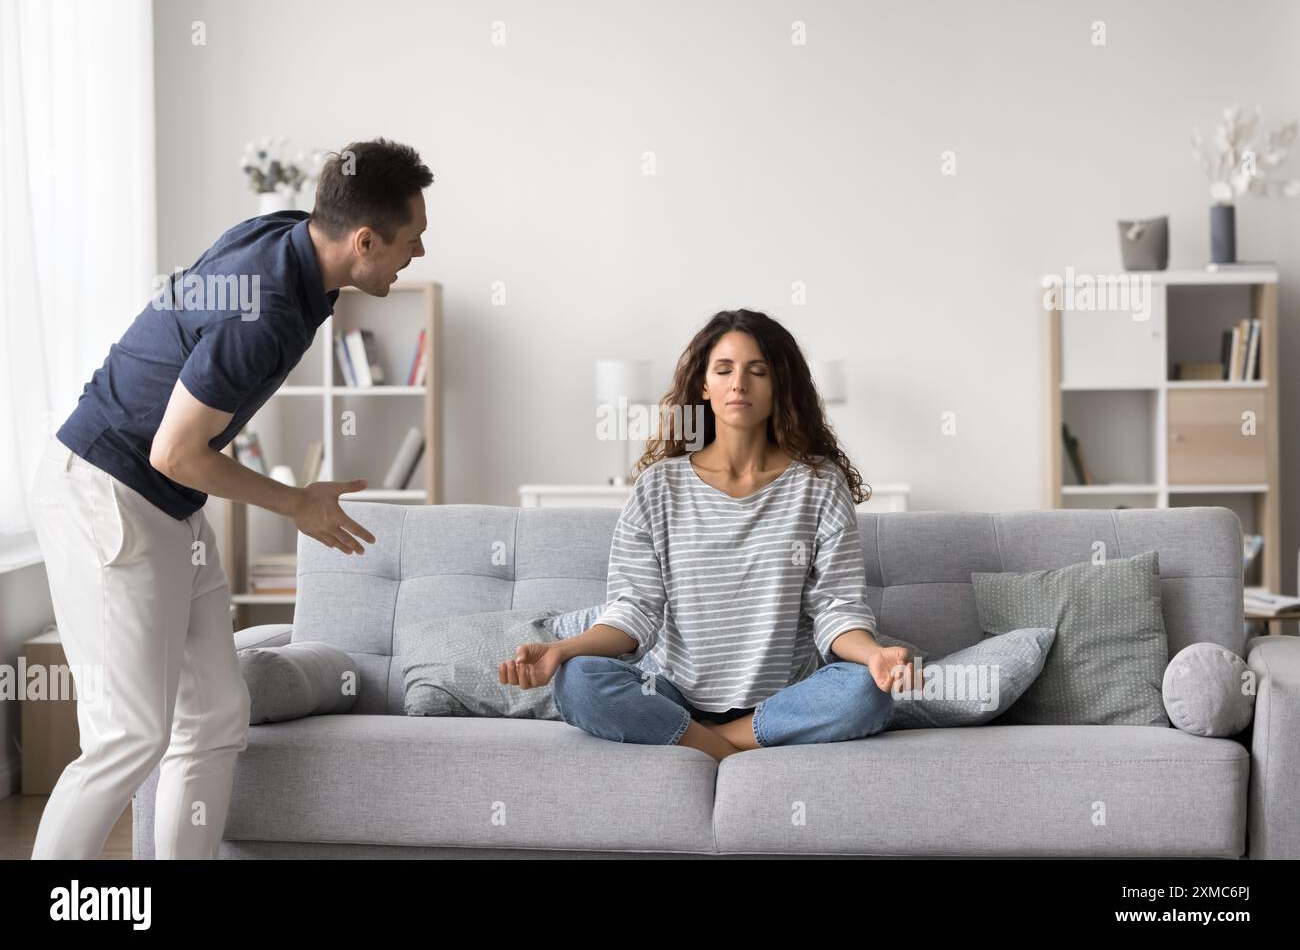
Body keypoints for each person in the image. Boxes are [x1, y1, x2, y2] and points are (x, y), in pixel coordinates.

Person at [26, 137, 433, 858]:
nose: (419, 254)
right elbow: (175, 449)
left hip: (169, 499)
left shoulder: (290, 236)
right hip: (108, 488)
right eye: (412, 239)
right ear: (363, 240)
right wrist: (296, 501)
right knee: (129, 734)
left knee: (214, 715)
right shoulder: (271, 307)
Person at [500, 309, 918, 762]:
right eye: (724, 370)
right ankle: (721, 741)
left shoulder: (818, 483)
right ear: (704, 385)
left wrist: (873, 654)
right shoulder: (660, 485)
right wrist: (562, 650)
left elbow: (836, 608)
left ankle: (700, 741)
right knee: (578, 680)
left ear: (780, 384)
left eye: (758, 371)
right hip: (672, 691)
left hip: (785, 698)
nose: (739, 383)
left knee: (865, 691)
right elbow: (634, 610)